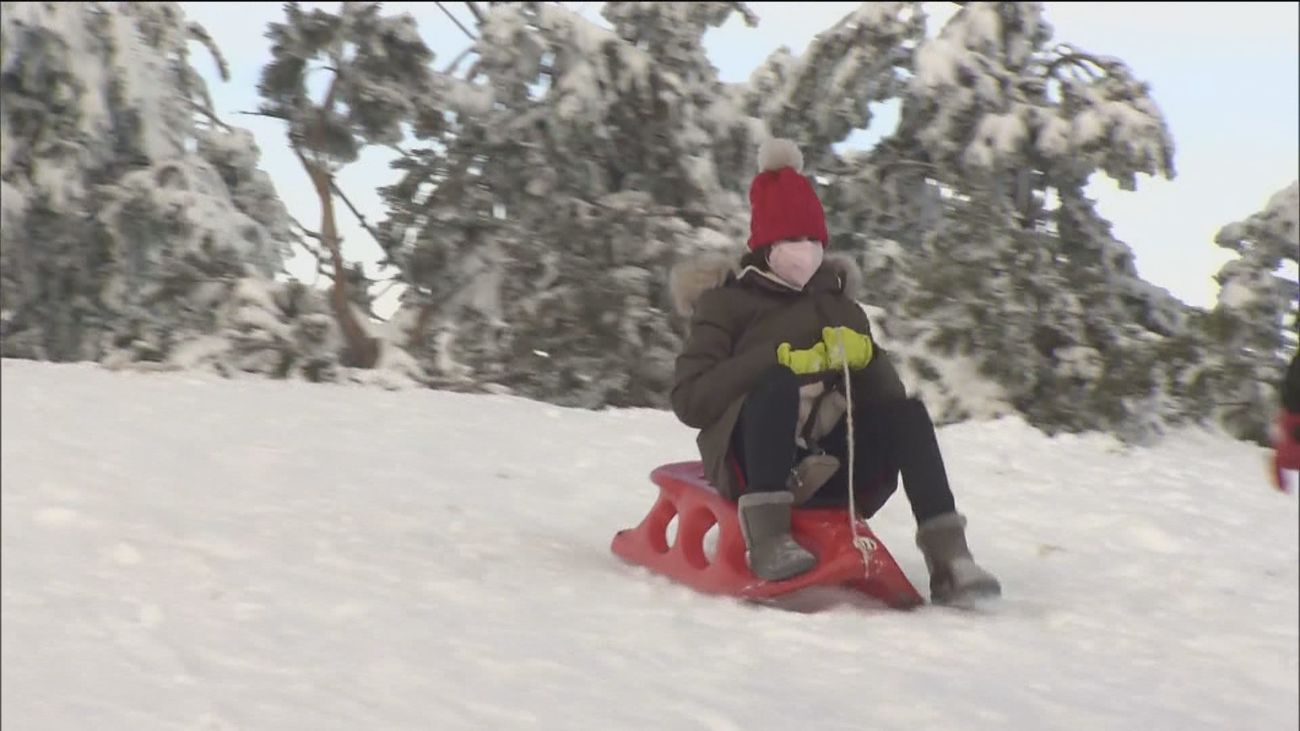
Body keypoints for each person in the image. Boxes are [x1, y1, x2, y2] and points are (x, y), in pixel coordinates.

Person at [668, 138, 1000, 605]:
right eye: (791, 241)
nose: (803, 251)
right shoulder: (726, 305)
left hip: (836, 471)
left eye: (812, 241)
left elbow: (884, 403)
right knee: (777, 385)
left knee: (906, 413)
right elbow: (691, 401)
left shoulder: (840, 307)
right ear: (766, 247)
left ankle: (950, 558)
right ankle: (768, 538)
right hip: (750, 467)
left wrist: (866, 358)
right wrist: (774, 360)